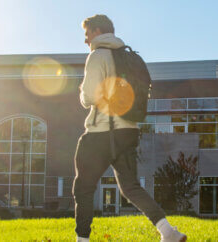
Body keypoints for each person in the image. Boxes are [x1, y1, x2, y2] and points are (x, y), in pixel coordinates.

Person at [73, 14, 186, 242]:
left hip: (101, 133)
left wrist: (84, 93)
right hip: (128, 131)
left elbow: (88, 96)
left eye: (87, 35)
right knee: (131, 187)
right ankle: (168, 232)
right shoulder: (128, 57)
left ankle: (82, 240)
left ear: (97, 31)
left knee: (83, 188)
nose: (86, 41)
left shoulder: (98, 56)